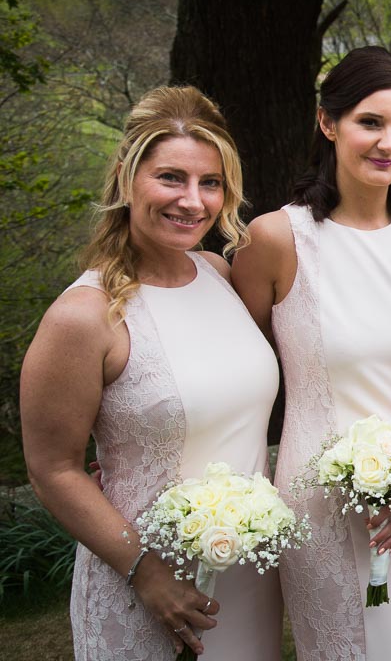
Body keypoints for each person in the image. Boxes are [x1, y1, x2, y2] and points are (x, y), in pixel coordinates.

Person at [21, 86, 282, 659]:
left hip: (247, 576)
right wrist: (147, 573)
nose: (193, 201)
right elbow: (52, 468)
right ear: (126, 178)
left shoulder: (217, 274)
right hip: (147, 583)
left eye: (210, 183)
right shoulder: (84, 316)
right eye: (170, 178)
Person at [231, 46, 391, 660]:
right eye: (371, 122)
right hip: (320, 502)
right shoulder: (276, 239)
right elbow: (238, 375)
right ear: (328, 122)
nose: (389, 142)